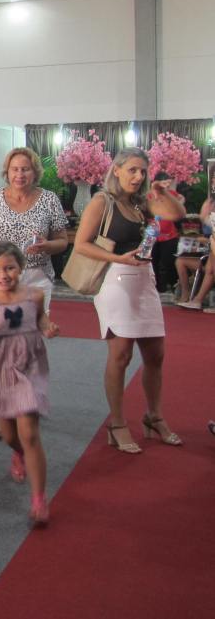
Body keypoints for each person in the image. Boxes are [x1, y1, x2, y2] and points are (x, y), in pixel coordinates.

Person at [74, 148, 185, 454]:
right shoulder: (102, 201)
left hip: (144, 279)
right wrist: (117, 258)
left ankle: (154, 416)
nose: (138, 176)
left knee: (156, 354)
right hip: (114, 279)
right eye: (133, 170)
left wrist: (163, 191)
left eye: (143, 171)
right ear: (117, 170)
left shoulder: (142, 202)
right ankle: (117, 422)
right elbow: (81, 244)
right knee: (121, 355)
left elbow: (176, 214)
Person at [0, 147, 68, 441]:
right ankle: (1, 408)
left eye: (26, 169)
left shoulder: (49, 200)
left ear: (35, 172)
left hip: (36, 279)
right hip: (0, 281)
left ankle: (26, 403)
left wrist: (48, 246)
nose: (20, 174)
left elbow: (63, 240)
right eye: (15, 169)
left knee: (27, 346)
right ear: (7, 172)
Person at [0, 242, 59, 528]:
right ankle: (18, 453)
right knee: (10, 435)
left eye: (9, 268)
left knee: (30, 433)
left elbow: (40, 318)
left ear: (20, 267)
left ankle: (39, 498)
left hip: (30, 366)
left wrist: (48, 327)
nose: (3, 275)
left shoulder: (35, 295)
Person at [175, 193, 214, 310]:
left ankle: (197, 300)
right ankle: (186, 294)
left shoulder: (210, 221)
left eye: (207, 205)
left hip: (210, 256)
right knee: (180, 261)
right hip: (207, 255)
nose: (205, 206)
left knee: (211, 268)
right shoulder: (205, 221)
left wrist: (205, 240)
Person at [149, 173, 184, 293]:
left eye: (168, 183)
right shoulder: (148, 195)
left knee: (169, 262)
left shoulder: (171, 194)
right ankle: (157, 287)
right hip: (152, 235)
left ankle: (173, 285)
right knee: (152, 262)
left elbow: (181, 201)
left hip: (169, 236)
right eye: (164, 183)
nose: (166, 186)